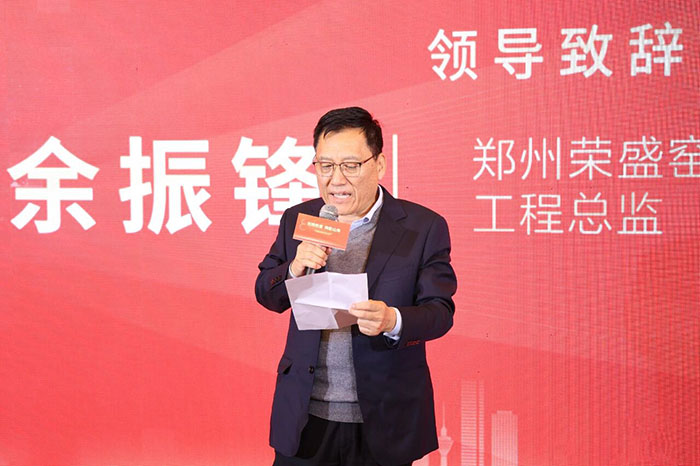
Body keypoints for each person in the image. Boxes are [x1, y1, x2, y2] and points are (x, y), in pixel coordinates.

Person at [255, 107, 457, 466]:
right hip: (305, 417)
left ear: (379, 165)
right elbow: (266, 293)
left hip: (383, 419)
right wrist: (294, 268)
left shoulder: (422, 227)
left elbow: (440, 312)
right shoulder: (299, 219)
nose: (336, 179)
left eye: (350, 165)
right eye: (325, 165)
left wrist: (392, 319)